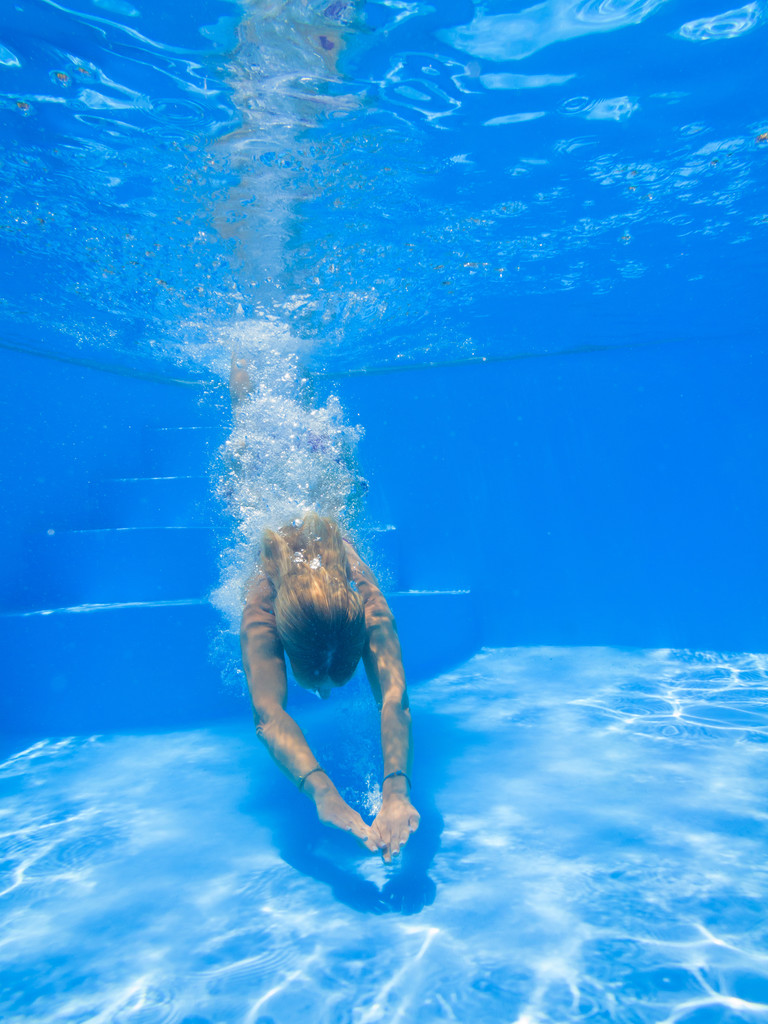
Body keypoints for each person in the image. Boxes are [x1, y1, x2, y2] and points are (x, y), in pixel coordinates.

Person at [240, 513, 420, 862]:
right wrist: (323, 792)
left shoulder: (366, 602)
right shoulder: (262, 604)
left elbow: (394, 697)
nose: (324, 695)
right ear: (283, 643)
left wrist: (397, 789)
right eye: (319, 685)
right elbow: (267, 715)